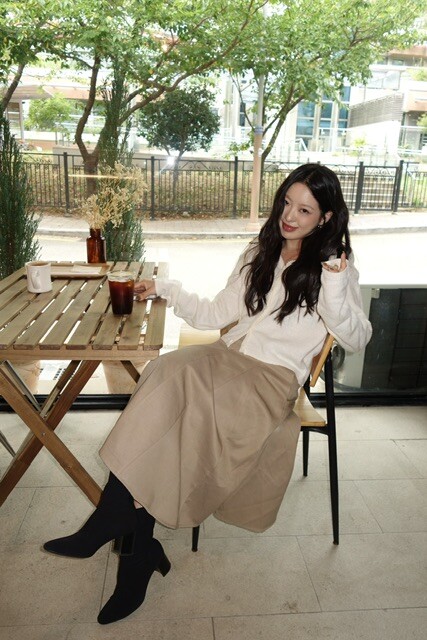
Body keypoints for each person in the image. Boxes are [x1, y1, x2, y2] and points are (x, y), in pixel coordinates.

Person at [43, 163, 372, 624]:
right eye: (287, 203)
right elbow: (215, 313)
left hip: (271, 381)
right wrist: (166, 290)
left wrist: (334, 284)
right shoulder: (260, 251)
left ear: (326, 217)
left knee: (184, 397)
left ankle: (118, 524)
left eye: (304, 210)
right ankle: (133, 545)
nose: (289, 216)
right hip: (228, 358)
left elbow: (357, 338)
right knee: (166, 372)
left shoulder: (335, 270)